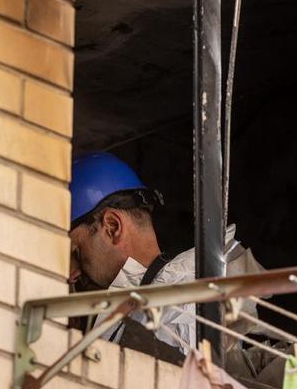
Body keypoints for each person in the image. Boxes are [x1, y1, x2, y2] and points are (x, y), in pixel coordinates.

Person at [68, 151, 261, 352]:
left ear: (112, 227)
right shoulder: (141, 307)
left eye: (77, 253)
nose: (73, 274)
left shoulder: (184, 306)